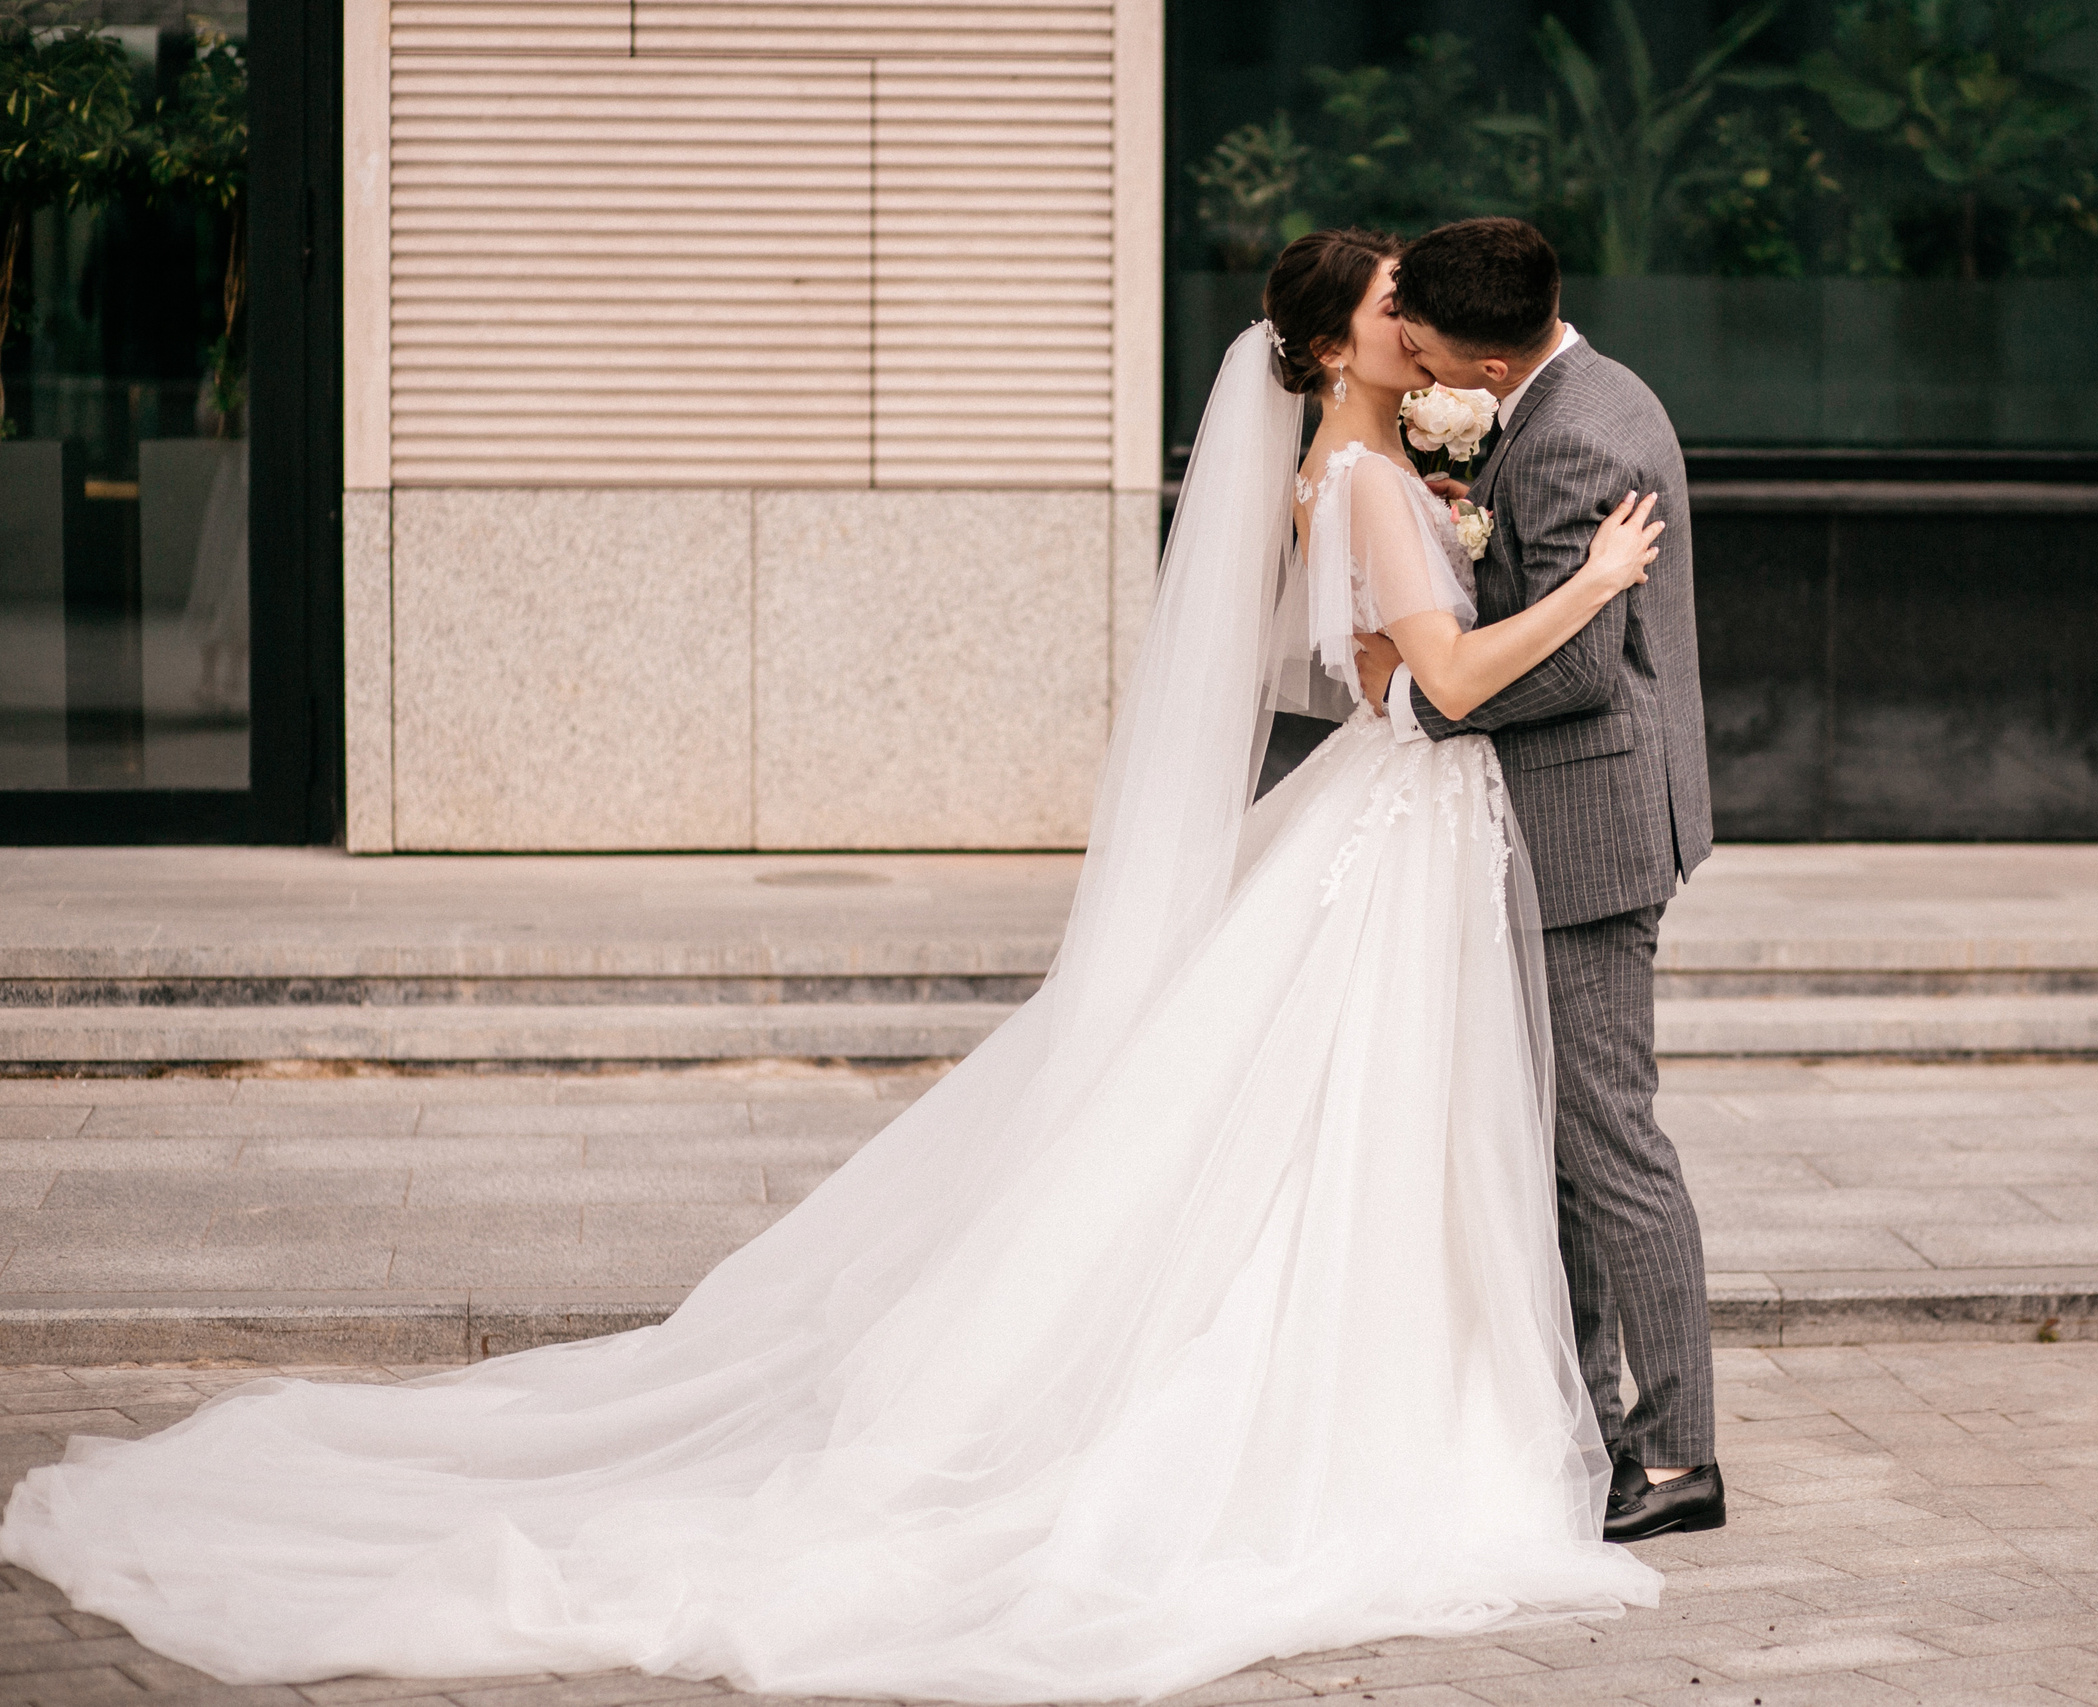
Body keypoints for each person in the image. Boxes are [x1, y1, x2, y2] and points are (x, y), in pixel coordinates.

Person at [0, 228, 1671, 1704]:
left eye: (1417, 308)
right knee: (1358, 1123)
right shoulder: (1366, 479)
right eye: (1390, 307)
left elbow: (1375, 665)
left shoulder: (1356, 468)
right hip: (1402, 813)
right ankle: (1390, 1414)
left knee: (1358, 1123)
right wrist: (1590, 581)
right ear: (1327, 347)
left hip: (1393, 819)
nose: (1414, 325)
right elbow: (1437, 681)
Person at [1374, 217, 1724, 1543]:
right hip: (1593, 812)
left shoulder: (1575, 434)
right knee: (1570, 1144)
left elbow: (1579, 665)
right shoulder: (1584, 389)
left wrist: (1427, 701)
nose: (1410, 354)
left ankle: (1680, 1456)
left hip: (1591, 829)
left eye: (1421, 339)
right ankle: (1592, 1427)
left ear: (1483, 357)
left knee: (1611, 1143)